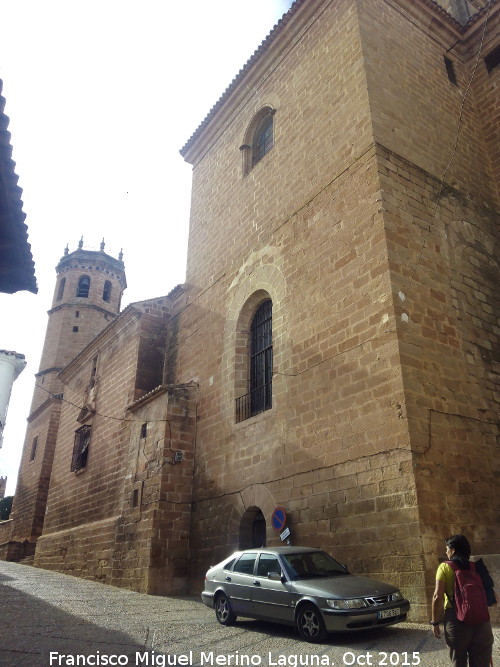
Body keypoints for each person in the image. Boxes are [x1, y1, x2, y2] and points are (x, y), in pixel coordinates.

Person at [430, 534, 494, 667]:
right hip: (482, 621)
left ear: (453, 550)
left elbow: (437, 596)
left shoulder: (445, 567)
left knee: (458, 661)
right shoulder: (477, 566)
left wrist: (435, 622)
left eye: (447, 548)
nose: (446, 551)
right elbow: (493, 597)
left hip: (456, 621)